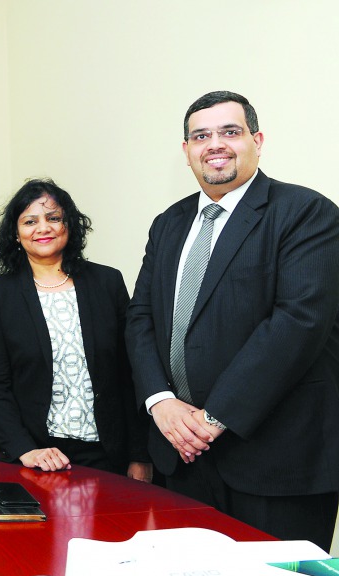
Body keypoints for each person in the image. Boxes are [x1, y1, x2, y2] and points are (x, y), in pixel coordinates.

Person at [126, 90, 339, 549]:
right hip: (180, 460)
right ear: (186, 152)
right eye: (201, 135)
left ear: (257, 140)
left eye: (230, 131)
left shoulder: (305, 213)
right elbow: (141, 317)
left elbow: (297, 323)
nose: (215, 144)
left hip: (276, 461)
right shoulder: (168, 224)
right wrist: (161, 402)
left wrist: (211, 418)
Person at [0, 179, 150, 480]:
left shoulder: (107, 283)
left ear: (69, 225)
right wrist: (24, 449)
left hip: (106, 454)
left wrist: (140, 455)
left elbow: (131, 374)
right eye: (30, 221)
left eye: (53, 218)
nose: (43, 228)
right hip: (35, 456)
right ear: (16, 234)